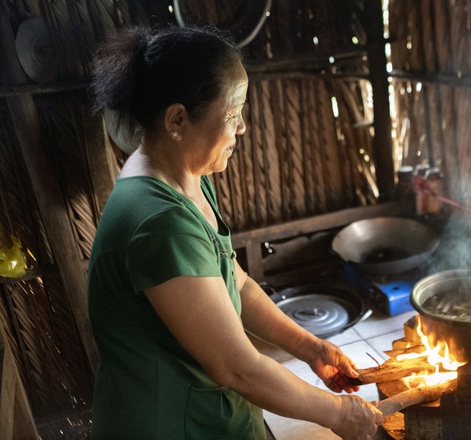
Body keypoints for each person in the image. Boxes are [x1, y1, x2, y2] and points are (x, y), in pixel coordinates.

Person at [87, 25, 382, 440]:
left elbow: (235, 283)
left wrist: (311, 348)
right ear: (177, 119)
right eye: (232, 114)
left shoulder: (185, 176)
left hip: (212, 416)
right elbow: (238, 366)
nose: (242, 128)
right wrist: (338, 414)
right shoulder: (159, 224)